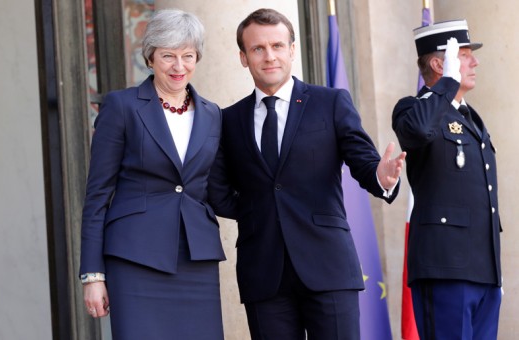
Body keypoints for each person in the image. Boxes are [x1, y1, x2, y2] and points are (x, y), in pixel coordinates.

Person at [209, 8, 405, 339]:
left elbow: (363, 162)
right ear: (243, 57)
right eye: (258, 49)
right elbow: (218, 191)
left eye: (277, 46)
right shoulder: (227, 121)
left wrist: (382, 179)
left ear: (292, 49)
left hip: (328, 267)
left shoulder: (330, 102)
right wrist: (257, 212)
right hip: (263, 273)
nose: (269, 56)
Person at [80, 9, 226, 340]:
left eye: (188, 56)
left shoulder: (212, 114)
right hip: (135, 259)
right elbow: (98, 195)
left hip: (196, 259)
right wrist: (93, 275)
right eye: (168, 56)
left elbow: (214, 190)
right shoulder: (121, 107)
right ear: (150, 57)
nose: (179, 66)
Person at [392, 20, 502, 339]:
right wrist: (446, 84)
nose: (475, 62)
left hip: (483, 270)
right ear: (441, 64)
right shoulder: (414, 108)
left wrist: (495, 275)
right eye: (465, 55)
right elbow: (418, 131)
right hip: (444, 268)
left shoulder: (471, 117)